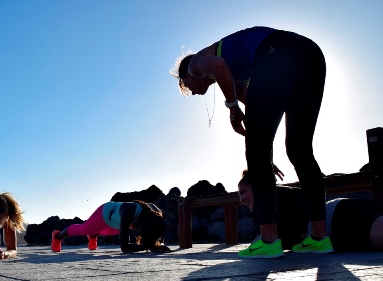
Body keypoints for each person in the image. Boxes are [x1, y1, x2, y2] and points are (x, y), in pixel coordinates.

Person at [171, 26, 331, 258]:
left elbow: (218, 67)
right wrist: (264, 159)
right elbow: (260, 112)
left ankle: (268, 242)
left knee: (258, 152)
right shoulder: (238, 78)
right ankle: (319, 239)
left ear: (187, 74)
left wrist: (233, 109)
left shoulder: (196, 64)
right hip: (310, 54)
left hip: (276, 51)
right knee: (299, 149)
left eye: (185, 85)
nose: (192, 91)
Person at [238, 170, 383, 253]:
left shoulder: (267, 203)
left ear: (256, 185)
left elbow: (279, 242)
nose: (241, 199)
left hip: (336, 219)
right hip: (340, 209)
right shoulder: (282, 194)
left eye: (243, 192)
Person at [50, 201, 171, 254]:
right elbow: (124, 248)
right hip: (104, 214)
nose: (138, 231)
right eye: (141, 230)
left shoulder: (156, 216)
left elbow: (155, 232)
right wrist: (149, 246)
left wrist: (157, 245)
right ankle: (58, 236)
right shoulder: (129, 211)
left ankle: (93, 235)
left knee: (110, 232)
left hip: (115, 223)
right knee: (84, 229)